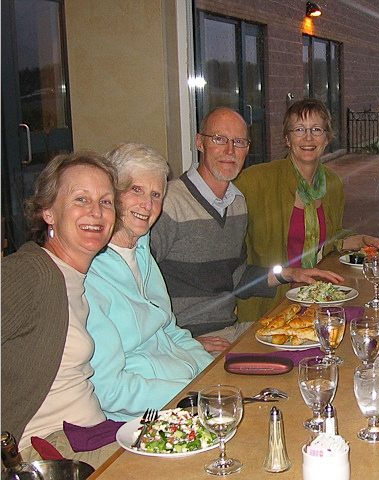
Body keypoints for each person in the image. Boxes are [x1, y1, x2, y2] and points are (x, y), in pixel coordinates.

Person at [151, 107, 343, 352]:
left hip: (229, 330)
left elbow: (238, 275)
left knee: (325, 337)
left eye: (239, 142)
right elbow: (132, 285)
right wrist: (177, 342)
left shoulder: (236, 204)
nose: (230, 150)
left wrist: (290, 273)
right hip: (185, 342)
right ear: (200, 143)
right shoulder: (167, 204)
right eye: (219, 139)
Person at [1, 152, 120, 466]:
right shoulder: (29, 272)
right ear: (48, 212)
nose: (96, 212)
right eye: (81, 199)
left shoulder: (75, 277)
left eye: (106, 202)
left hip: (93, 435)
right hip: (47, 449)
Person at [85, 143, 214, 421]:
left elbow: (171, 331)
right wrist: (191, 395)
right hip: (140, 418)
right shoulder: (90, 274)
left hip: (186, 395)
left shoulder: (142, 251)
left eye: (156, 195)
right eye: (136, 190)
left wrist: (214, 376)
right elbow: (108, 389)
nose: (148, 205)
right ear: (112, 194)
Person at [233, 98, 379, 323]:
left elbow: (328, 239)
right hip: (269, 303)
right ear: (287, 139)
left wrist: (361, 240)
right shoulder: (255, 181)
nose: (308, 138)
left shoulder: (332, 183)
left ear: (327, 138)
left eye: (316, 129)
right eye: (299, 129)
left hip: (313, 298)